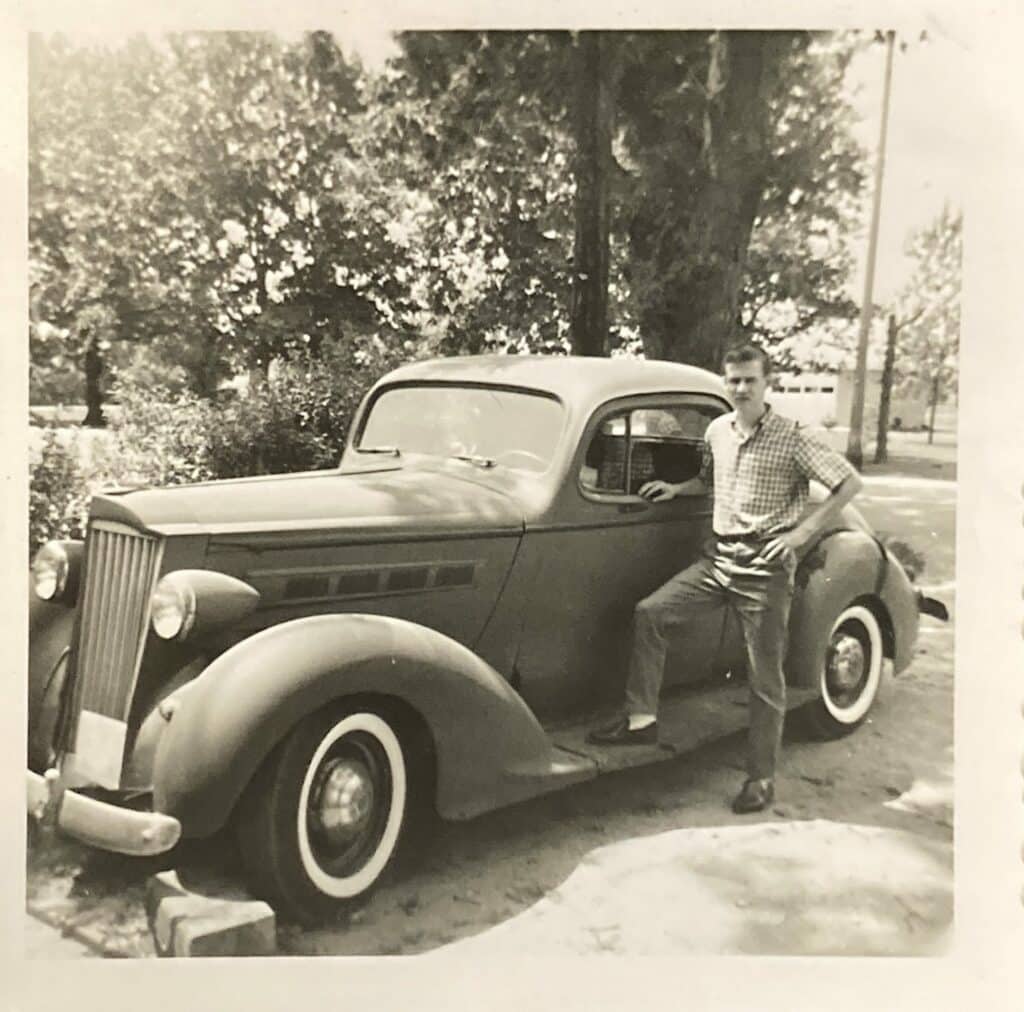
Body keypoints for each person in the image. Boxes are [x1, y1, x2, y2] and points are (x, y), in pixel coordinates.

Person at [587, 343, 863, 814]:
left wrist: (801, 535)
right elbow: (710, 481)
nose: (739, 388)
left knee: (763, 677)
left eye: (749, 380)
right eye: (733, 380)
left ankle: (761, 778)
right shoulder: (718, 430)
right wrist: (677, 488)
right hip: (718, 561)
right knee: (650, 614)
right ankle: (641, 720)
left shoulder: (792, 436)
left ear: (766, 383)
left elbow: (849, 484)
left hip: (765, 570)